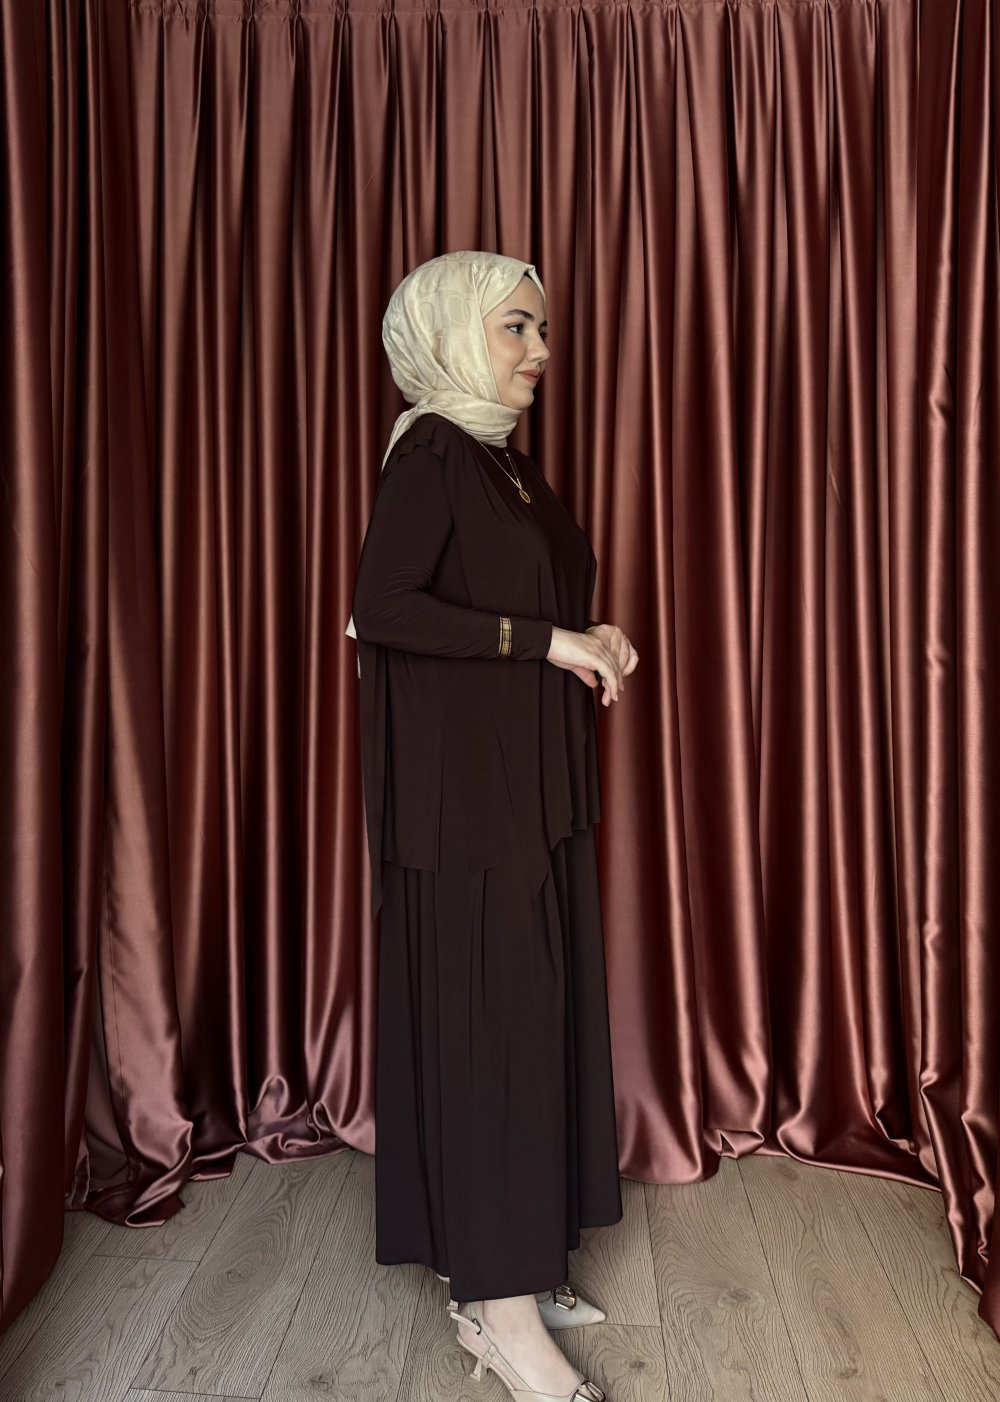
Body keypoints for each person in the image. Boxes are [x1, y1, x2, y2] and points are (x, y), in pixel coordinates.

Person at [348, 251, 638, 1402]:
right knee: (495, 1032)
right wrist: (547, 641)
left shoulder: (501, 462)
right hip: (465, 803)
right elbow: (383, 607)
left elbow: (522, 601)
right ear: (452, 332)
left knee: (532, 1018)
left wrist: (591, 632)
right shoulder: (431, 450)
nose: (540, 352)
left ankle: (508, 1261)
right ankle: (500, 1314)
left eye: (542, 330)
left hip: (529, 786)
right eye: (516, 327)